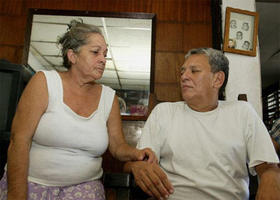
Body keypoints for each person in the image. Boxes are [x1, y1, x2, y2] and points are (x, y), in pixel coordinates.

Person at [0, 19, 156, 200]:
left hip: (84, 189)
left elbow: (117, 146)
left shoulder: (109, 97)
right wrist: (17, 195)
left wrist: (136, 153)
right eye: (95, 52)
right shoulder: (44, 83)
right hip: (31, 185)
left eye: (105, 54)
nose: (103, 60)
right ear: (72, 56)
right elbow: (19, 140)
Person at [124, 48, 280, 200]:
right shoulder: (163, 112)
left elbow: (267, 164)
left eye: (194, 71)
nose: (184, 76)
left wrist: (270, 177)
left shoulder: (242, 112)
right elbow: (138, 162)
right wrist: (136, 166)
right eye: (182, 72)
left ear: (217, 79)